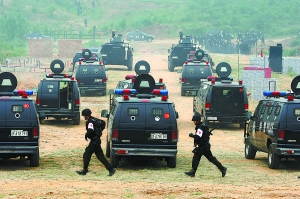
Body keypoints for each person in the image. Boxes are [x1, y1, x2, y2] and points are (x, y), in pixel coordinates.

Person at [76, 108, 116, 176]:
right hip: (96, 140)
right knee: (90, 154)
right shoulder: (95, 120)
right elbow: (103, 123)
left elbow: (90, 130)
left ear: (87, 115)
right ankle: (85, 170)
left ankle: (110, 169)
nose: (84, 117)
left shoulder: (90, 122)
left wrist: (87, 135)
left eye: (84, 116)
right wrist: (99, 132)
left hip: (94, 141)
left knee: (94, 155)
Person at [185, 113, 227, 177]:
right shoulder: (202, 125)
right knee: (210, 158)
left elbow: (199, 136)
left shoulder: (200, 127)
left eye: (194, 121)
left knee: (196, 157)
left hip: (203, 147)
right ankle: (222, 168)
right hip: (205, 146)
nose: (193, 122)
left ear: (197, 121)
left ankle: (193, 172)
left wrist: (192, 135)